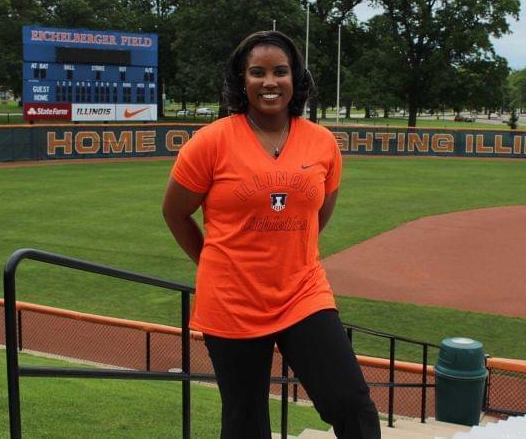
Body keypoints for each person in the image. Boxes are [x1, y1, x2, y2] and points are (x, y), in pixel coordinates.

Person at [162, 30, 380, 439]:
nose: (269, 82)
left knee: (352, 404)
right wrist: (214, 262)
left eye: (280, 71)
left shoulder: (322, 143)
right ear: (241, 81)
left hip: (303, 294)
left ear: (295, 79)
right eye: (257, 72)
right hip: (232, 301)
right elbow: (174, 213)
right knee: (246, 424)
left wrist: (290, 252)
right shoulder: (210, 142)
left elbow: (317, 216)